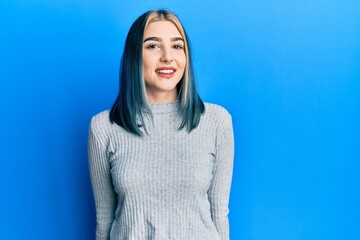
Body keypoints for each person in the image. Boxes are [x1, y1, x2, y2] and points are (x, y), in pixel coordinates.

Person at [88, 9, 234, 240]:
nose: (168, 56)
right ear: (134, 56)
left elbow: (219, 212)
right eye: (153, 46)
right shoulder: (103, 127)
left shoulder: (217, 121)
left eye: (177, 46)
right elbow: (104, 217)